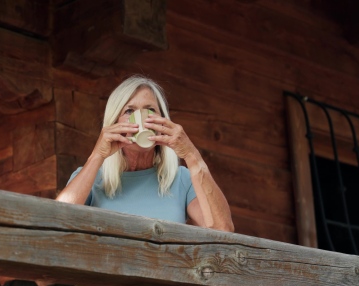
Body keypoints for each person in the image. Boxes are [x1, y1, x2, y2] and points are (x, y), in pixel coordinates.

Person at [56, 75, 234, 232]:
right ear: (115, 122)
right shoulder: (91, 177)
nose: (142, 118)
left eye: (150, 110)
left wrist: (191, 155)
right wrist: (97, 156)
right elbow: (57, 220)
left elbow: (222, 229)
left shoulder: (181, 180)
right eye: (129, 111)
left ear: (163, 122)